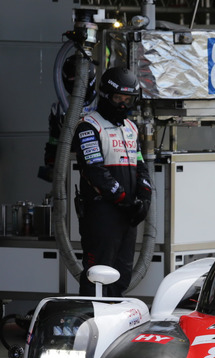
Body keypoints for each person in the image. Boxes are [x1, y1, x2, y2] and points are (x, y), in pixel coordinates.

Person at [71, 66, 153, 297]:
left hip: (127, 213)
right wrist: (124, 199)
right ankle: (91, 326)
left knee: (122, 274)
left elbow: (141, 166)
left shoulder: (131, 128)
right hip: (101, 213)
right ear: (106, 96)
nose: (123, 104)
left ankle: (116, 325)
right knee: (97, 275)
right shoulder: (89, 125)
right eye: (118, 98)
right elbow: (94, 170)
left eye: (128, 99)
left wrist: (144, 199)